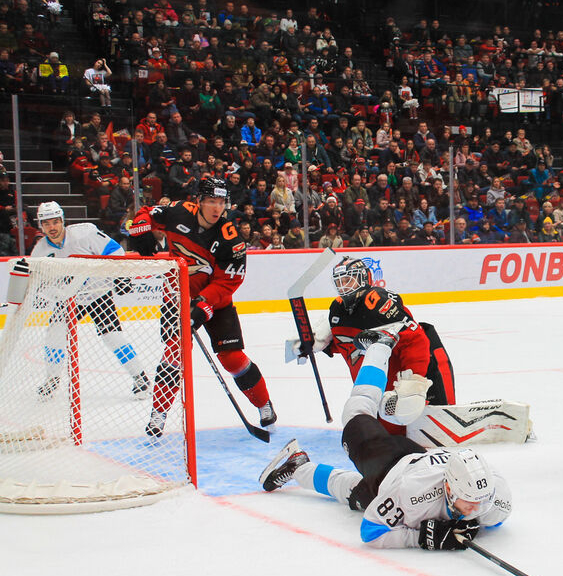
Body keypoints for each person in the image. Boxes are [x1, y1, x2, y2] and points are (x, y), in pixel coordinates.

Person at [261, 326, 511, 550]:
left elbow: (491, 519)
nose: (476, 510)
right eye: (470, 503)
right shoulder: (413, 493)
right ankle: (379, 347)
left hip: (412, 468)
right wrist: (422, 538)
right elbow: (371, 532)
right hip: (388, 461)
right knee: (356, 413)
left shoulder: (496, 499)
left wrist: (473, 525)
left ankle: (298, 466)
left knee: (354, 493)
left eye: (481, 503)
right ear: (448, 489)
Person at [127, 178, 277, 436]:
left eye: (221, 202)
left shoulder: (231, 239)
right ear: (199, 202)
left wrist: (203, 304)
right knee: (173, 355)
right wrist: (141, 231)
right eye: (211, 201)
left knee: (232, 359)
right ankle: (159, 413)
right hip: (177, 296)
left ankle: (264, 404)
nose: (216, 208)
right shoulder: (177, 212)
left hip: (216, 302)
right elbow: (145, 213)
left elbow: (229, 281)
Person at [292, 257, 456, 434]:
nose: (343, 285)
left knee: (423, 424)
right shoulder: (337, 308)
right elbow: (348, 345)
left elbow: (416, 340)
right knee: (384, 430)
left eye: (348, 279)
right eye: (339, 281)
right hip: (377, 386)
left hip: (417, 368)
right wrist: (316, 344)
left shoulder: (376, 300)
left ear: (363, 278)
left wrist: (413, 382)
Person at [27, 201, 150, 398]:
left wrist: (120, 275)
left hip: (97, 293)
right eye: (46, 223)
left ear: (62, 221)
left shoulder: (84, 233)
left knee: (112, 337)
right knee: (54, 335)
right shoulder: (40, 252)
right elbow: (40, 281)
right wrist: (50, 293)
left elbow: (114, 249)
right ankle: (52, 380)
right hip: (69, 299)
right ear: (41, 226)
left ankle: (140, 377)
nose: (52, 227)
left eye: (55, 222)